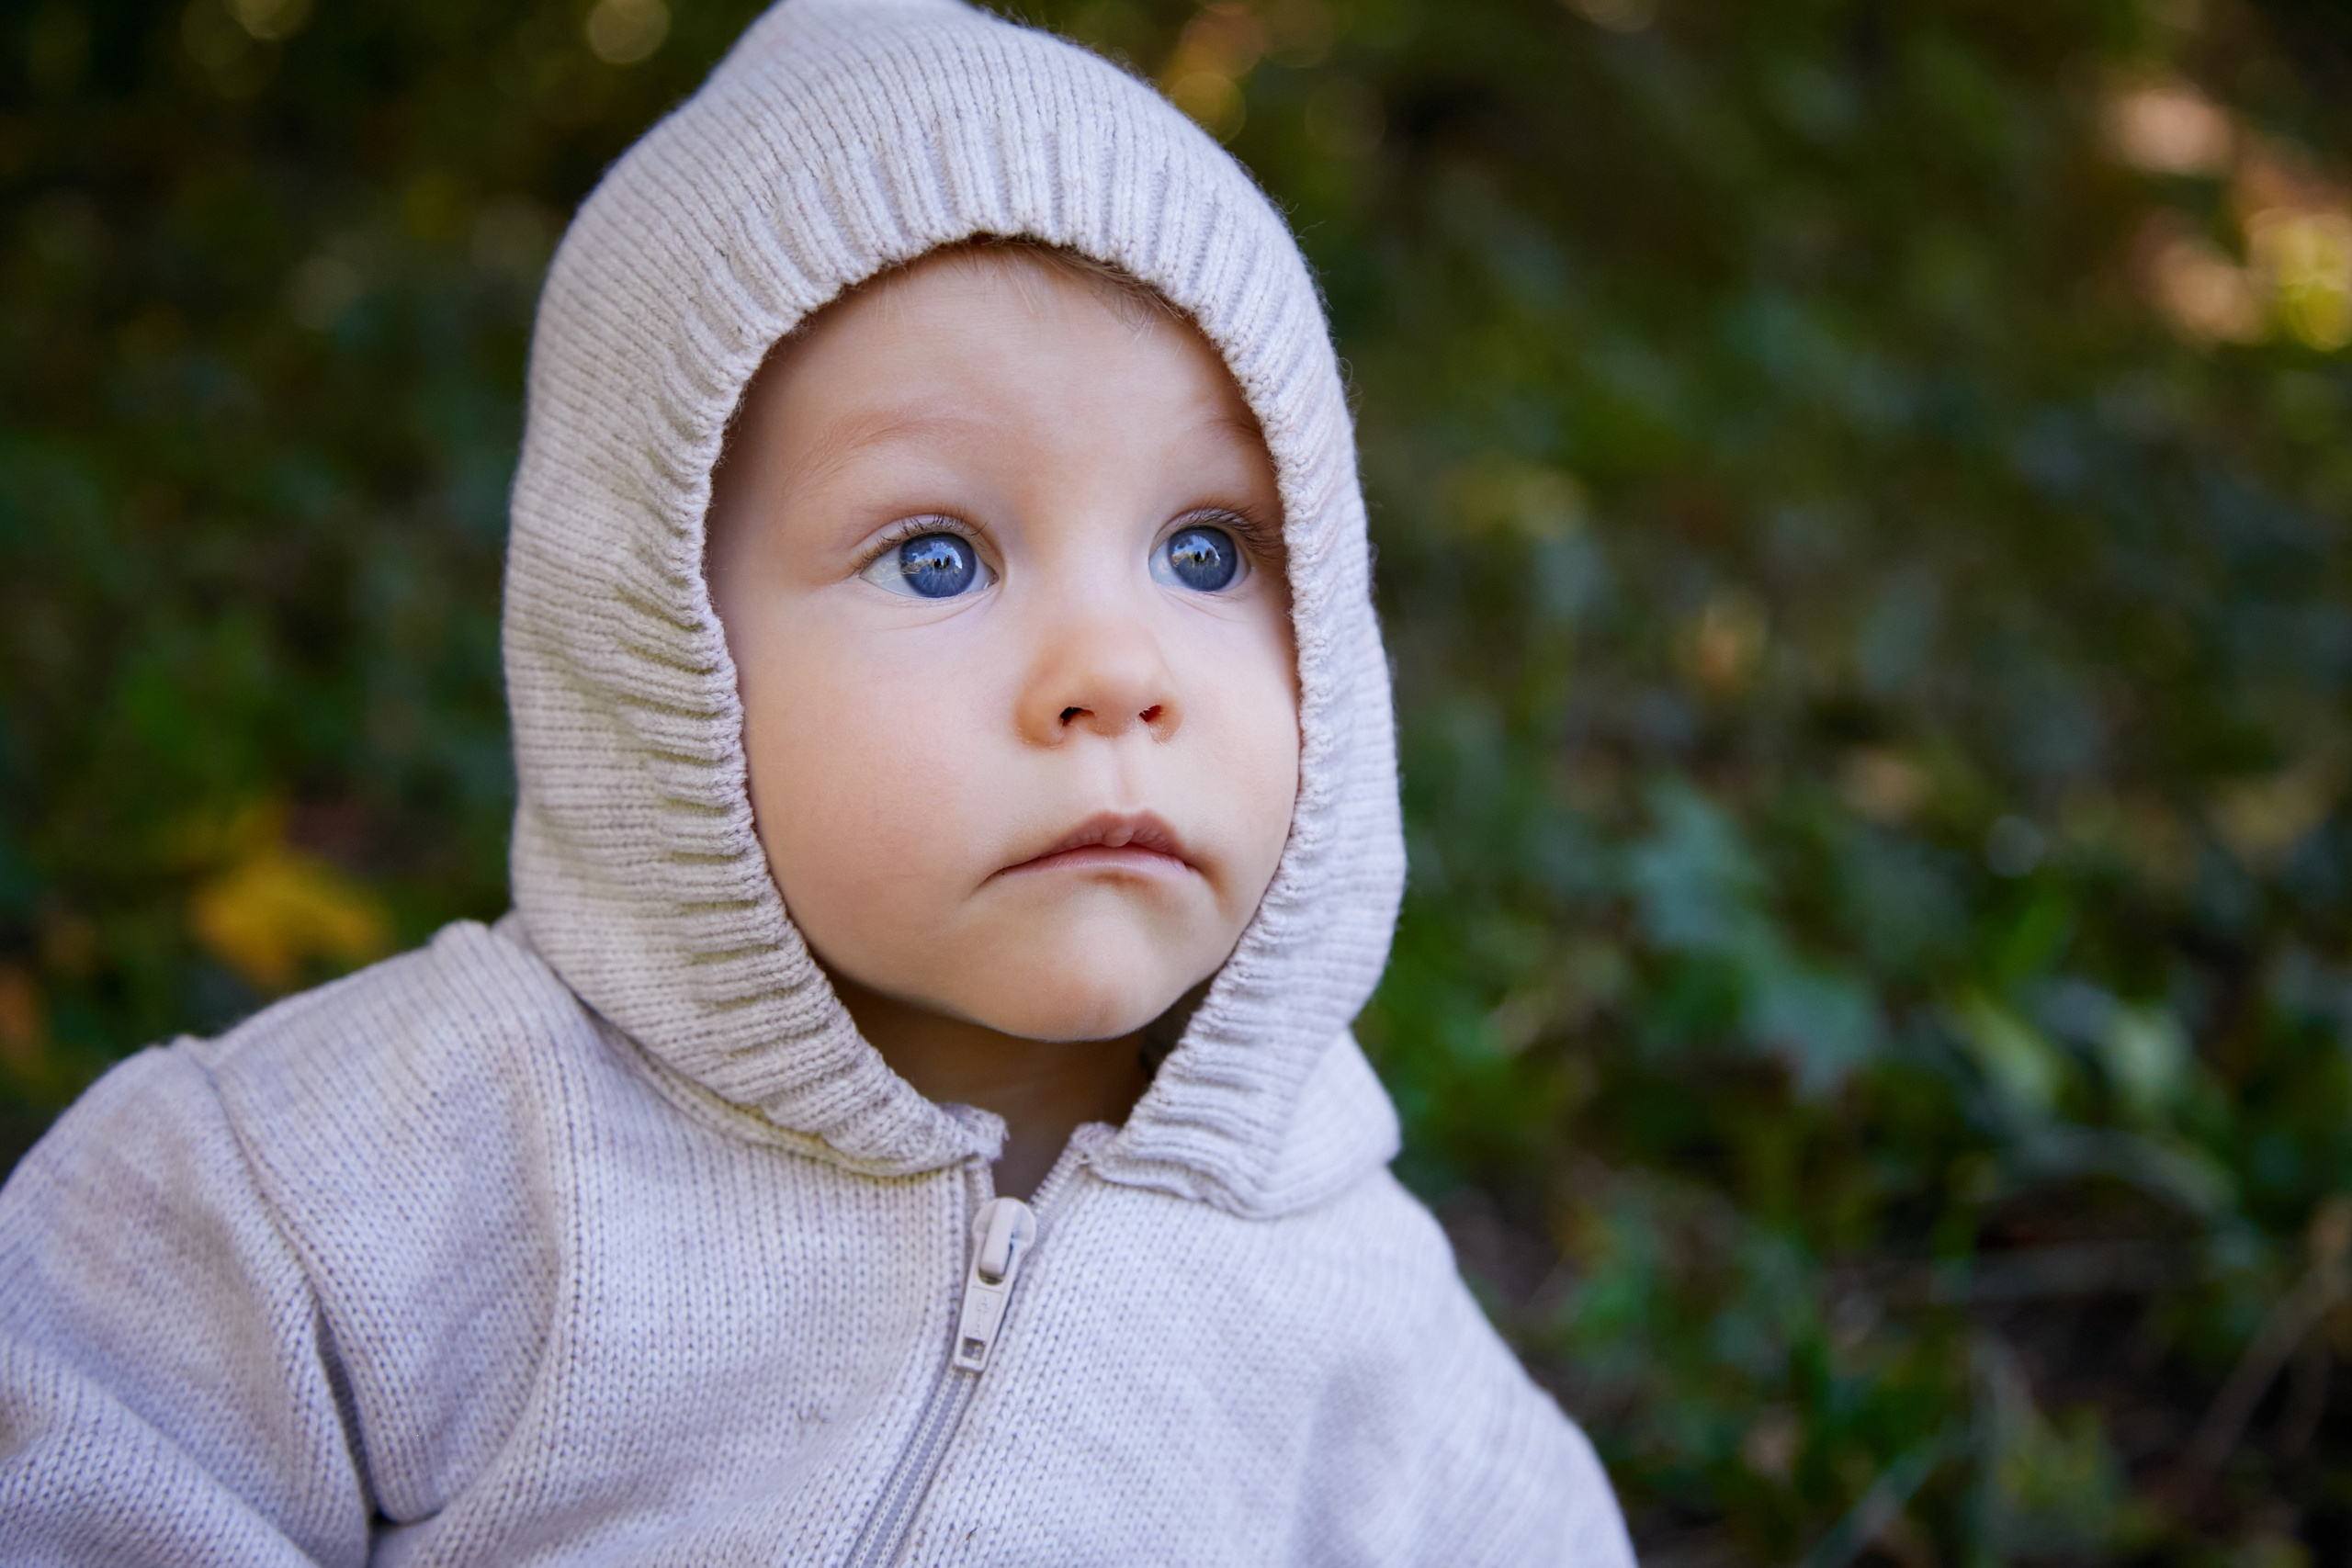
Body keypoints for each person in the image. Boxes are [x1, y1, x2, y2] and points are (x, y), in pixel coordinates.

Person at [0, 0, 1637, 1561]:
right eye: (935, 557)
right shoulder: (352, 1186)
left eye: (1206, 550)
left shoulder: (1371, 1341)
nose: (1117, 671)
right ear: (658, 650)